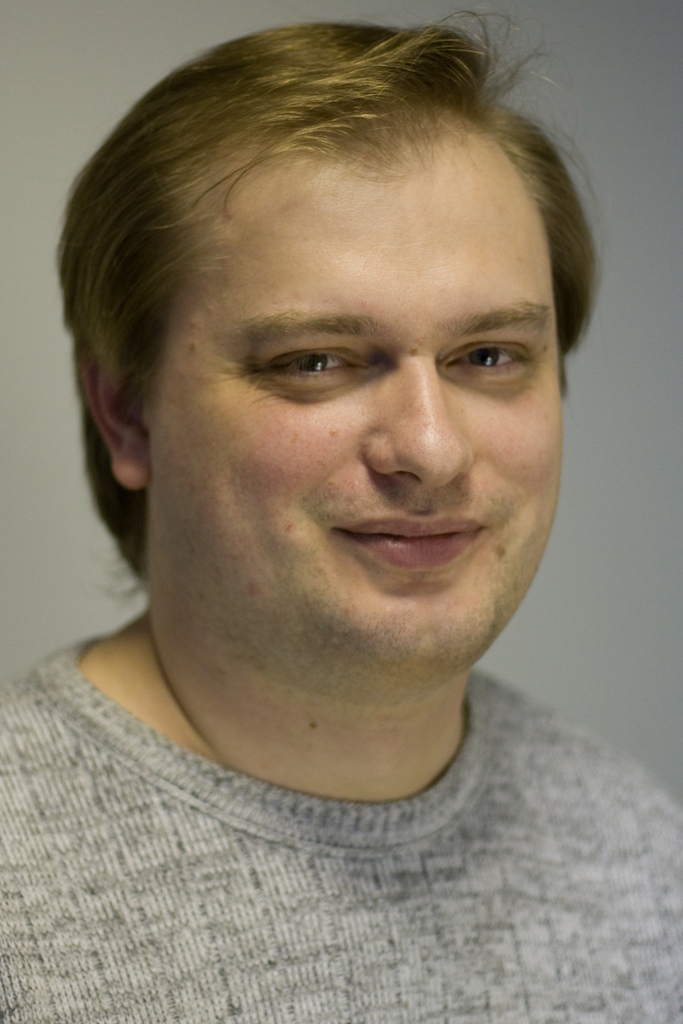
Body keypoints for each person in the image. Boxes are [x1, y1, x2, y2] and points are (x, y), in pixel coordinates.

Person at [1, 18, 681, 1022]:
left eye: (487, 355)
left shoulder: (640, 859)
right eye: (314, 360)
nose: (431, 448)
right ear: (126, 413)